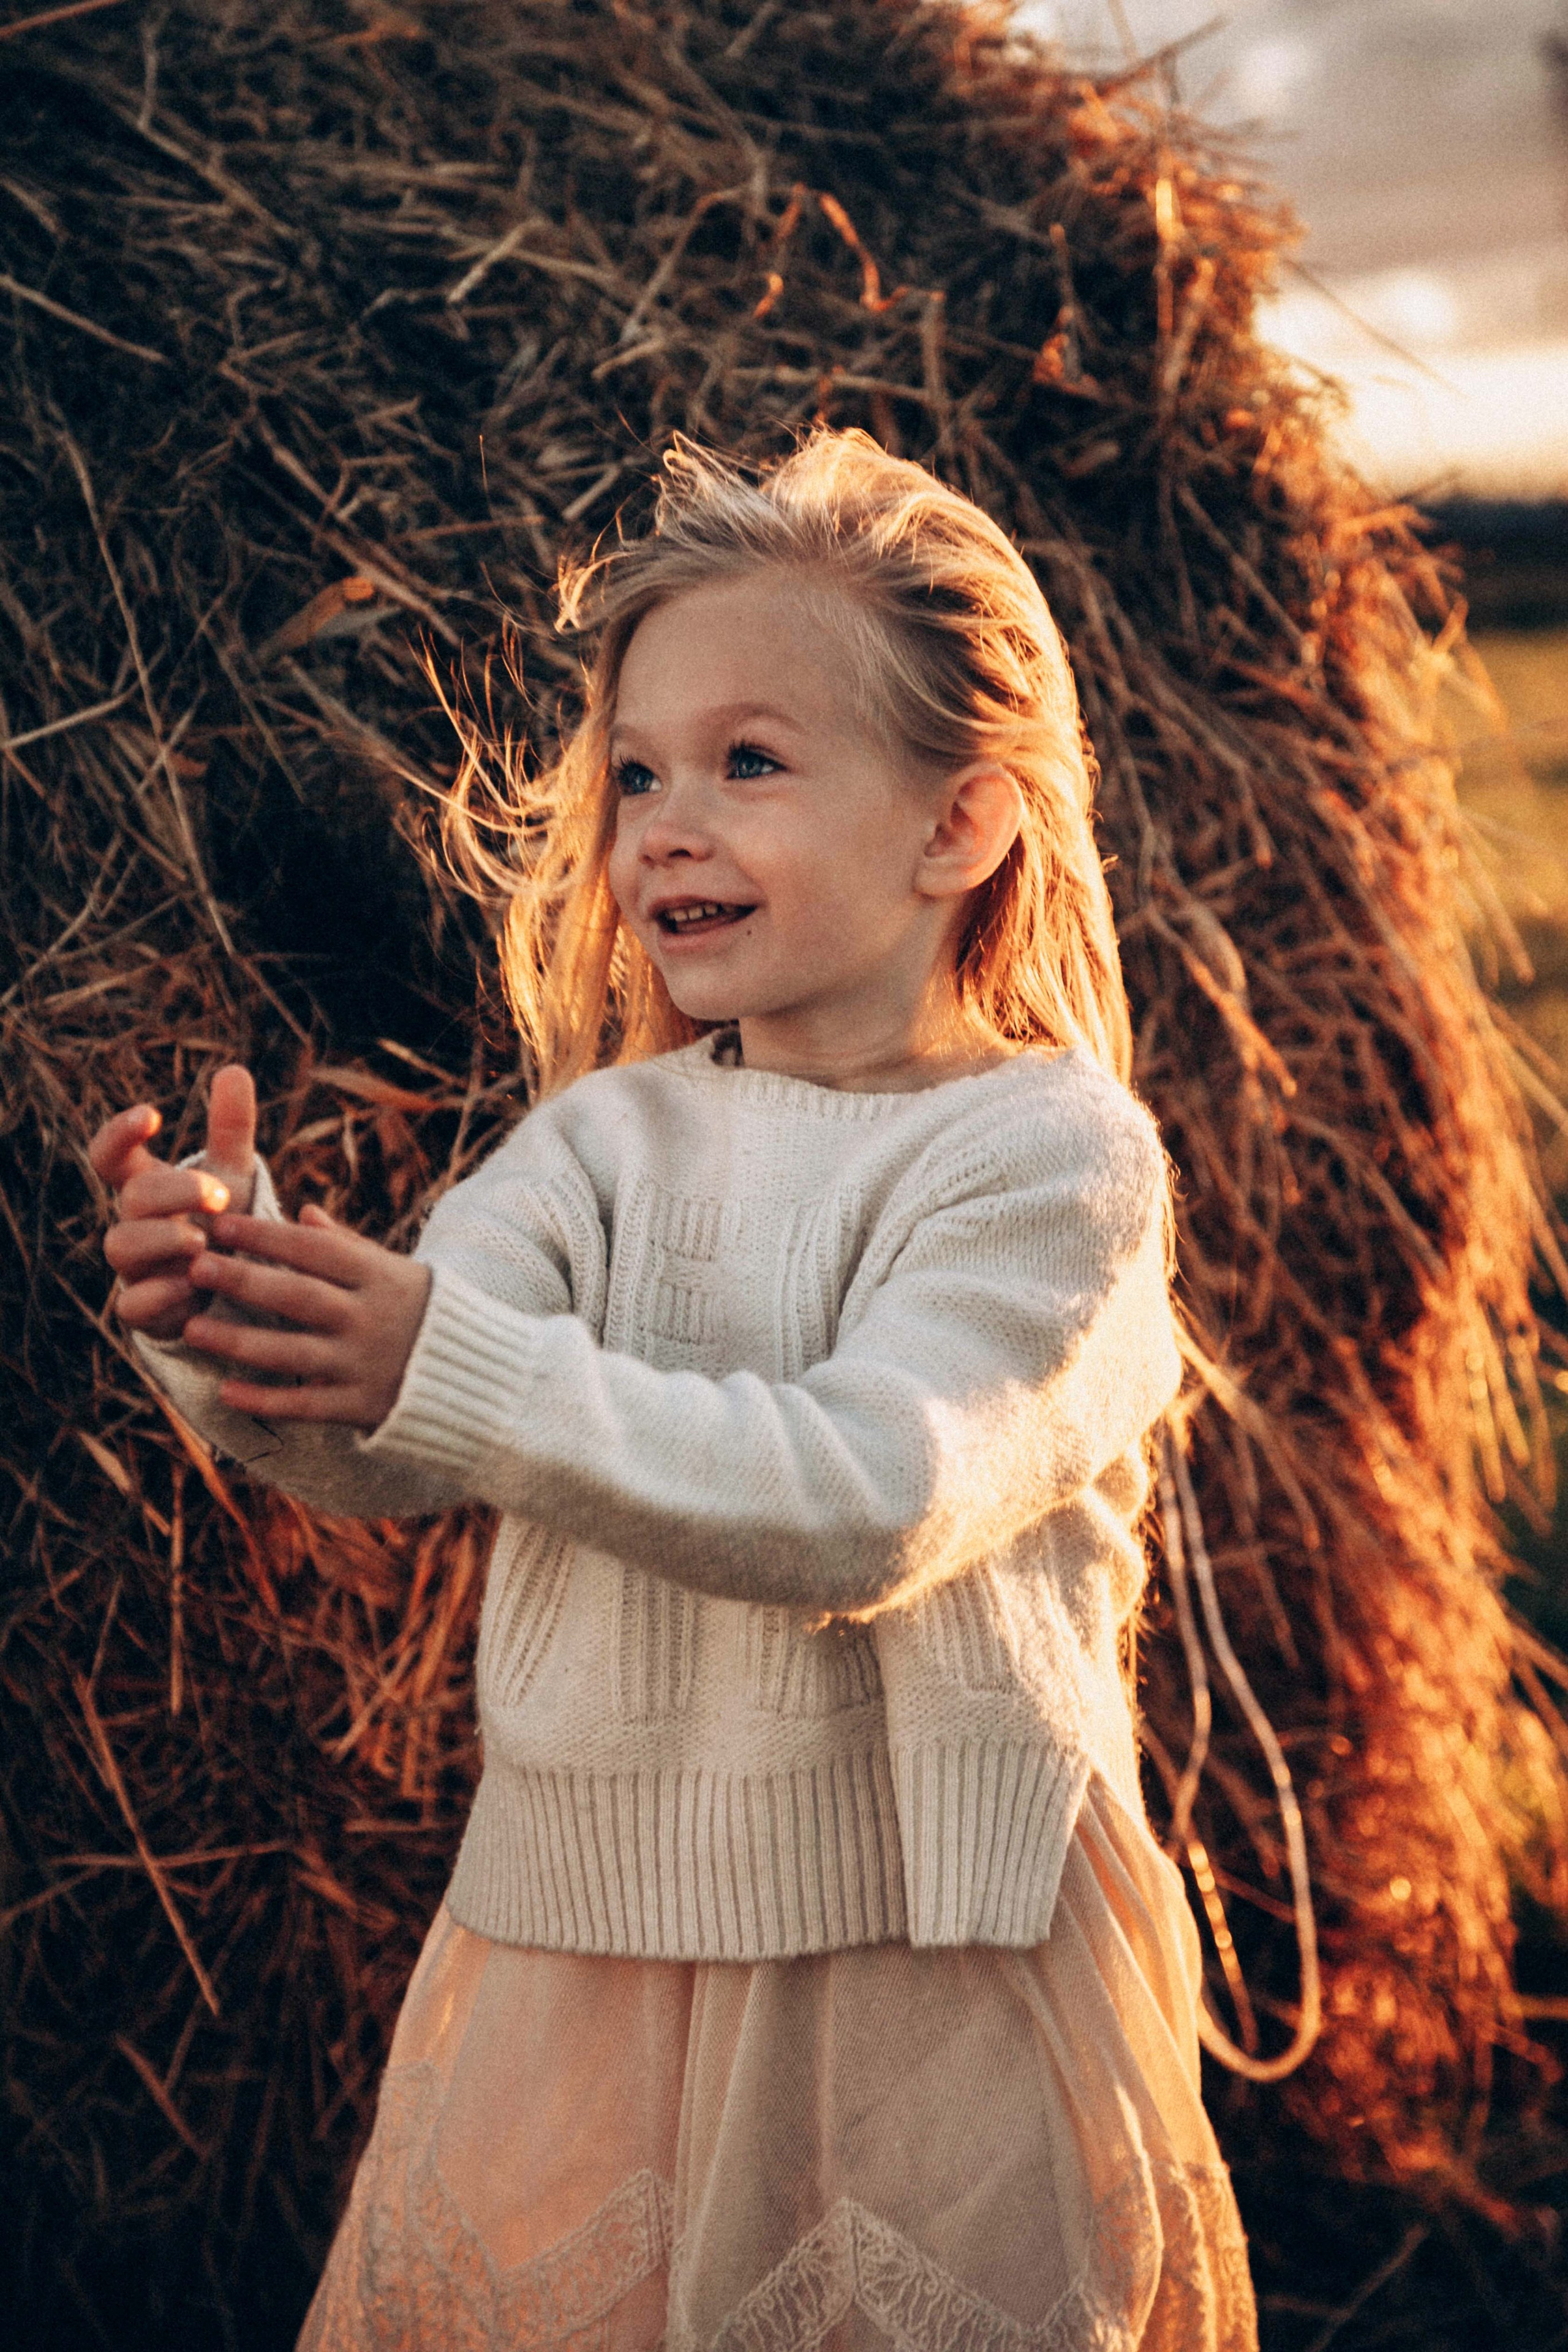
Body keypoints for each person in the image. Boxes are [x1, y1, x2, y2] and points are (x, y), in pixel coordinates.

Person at [90, 431, 1257, 2351]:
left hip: (925, 1977)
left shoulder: (1052, 1159)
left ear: (959, 827)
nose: (663, 826)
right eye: (634, 773)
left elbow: (879, 1489)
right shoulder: (602, 1146)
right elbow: (396, 1431)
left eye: (749, 762)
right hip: (580, 1943)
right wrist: (234, 1308)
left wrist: (440, 1359)